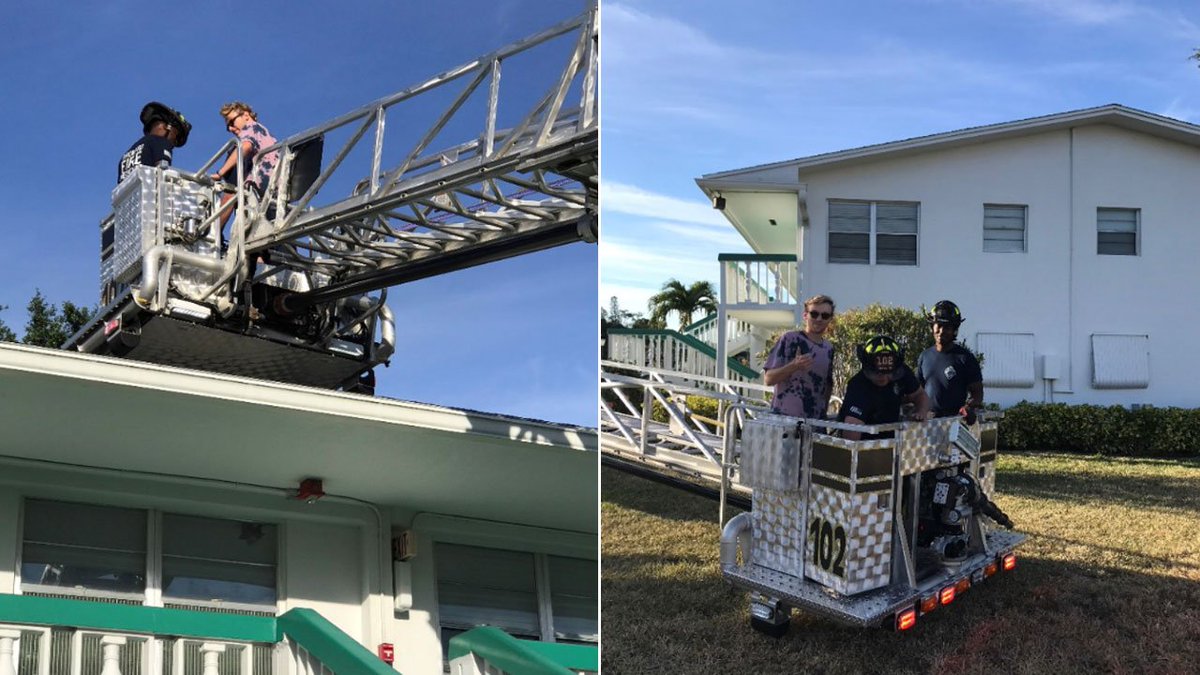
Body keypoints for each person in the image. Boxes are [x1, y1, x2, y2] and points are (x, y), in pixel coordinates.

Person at [838, 335, 930, 440]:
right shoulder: (858, 386)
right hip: (866, 444)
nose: (882, 377)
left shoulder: (903, 372)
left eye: (889, 373)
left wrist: (921, 411)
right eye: (876, 373)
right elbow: (851, 437)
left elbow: (920, 394)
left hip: (894, 441)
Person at [210, 102, 280, 236]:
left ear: (246, 116)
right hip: (272, 195)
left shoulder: (252, 128)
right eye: (228, 127)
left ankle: (212, 234)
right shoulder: (265, 134)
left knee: (231, 192)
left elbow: (245, 146)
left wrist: (221, 172)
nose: (230, 128)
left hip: (261, 192)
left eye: (232, 122)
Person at [762, 294, 836, 419]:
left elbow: (827, 384)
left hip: (814, 424)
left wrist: (823, 412)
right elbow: (769, 379)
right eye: (814, 314)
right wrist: (794, 366)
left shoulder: (828, 348)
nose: (819, 319)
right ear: (805, 315)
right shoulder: (790, 339)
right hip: (785, 421)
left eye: (825, 315)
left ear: (830, 319)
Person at [915, 300, 984, 423]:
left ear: (954, 330)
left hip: (955, 422)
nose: (941, 331)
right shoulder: (924, 357)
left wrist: (968, 407)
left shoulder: (965, 358)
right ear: (932, 327)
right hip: (927, 424)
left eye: (947, 327)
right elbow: (917, 392)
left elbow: (977, 393)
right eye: (938, 326)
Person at [117, 102, 191, 184]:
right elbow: (163, 173)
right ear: (166, 127)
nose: (173, 143)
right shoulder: (161, 142)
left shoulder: (125, 156)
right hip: (151, 195)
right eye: (175, 134)